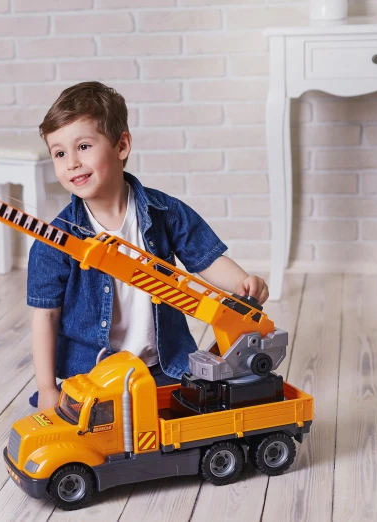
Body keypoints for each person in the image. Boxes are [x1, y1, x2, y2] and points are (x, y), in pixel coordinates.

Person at [27, 81, 268, 410]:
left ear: (122, 145)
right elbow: (46, 316)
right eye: (59, 153)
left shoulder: (165, 213)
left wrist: (242, 283)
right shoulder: (56, 241)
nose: (70, 162)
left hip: (162, 366)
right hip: (93, 375)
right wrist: (46, 388)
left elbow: (206, 260)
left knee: (200, 405)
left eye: (83, 146)